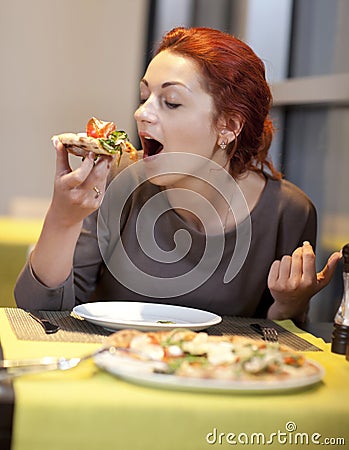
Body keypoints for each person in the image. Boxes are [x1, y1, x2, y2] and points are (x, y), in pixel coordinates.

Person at [14, 27, 341, 322]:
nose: (141, 113)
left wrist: (288, 306)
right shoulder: (117, 179)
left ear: (228, 126)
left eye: (170, 102)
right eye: (145, 97)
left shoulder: (289, 212)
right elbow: (39, 311)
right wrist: (63, 218)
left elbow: (276, 343)